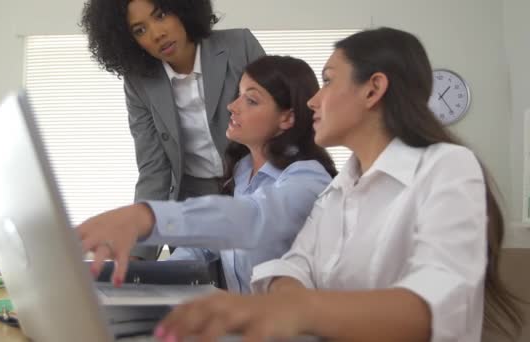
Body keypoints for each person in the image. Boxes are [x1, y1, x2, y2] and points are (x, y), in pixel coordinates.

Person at [152, 27, 524, 342]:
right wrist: (284, 300)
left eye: (328, 80)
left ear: (372, 89)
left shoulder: (448, 166)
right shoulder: (341, 186)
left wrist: (294, 309)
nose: (314, 100)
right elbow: (293, 266)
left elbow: (432, 306)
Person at [77, 55, 338, 293]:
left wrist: (146, 217)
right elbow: (203, 246)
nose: (232, 106)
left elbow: (249, 220)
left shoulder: (308, 180)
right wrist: (143, 279)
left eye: (251, 99)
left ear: (287, 119)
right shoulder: (243, 170)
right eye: (239, 94)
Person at [81, 0, 265, 260]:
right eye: (139, 30)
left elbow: (277, 121)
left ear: (183, 9)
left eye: (161, 15)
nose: (157, 34)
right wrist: (137, 257)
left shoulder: (240, 46)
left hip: (256, 190)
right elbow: (153, 169)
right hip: (191, 207)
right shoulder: (138, 83)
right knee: (195, 292)